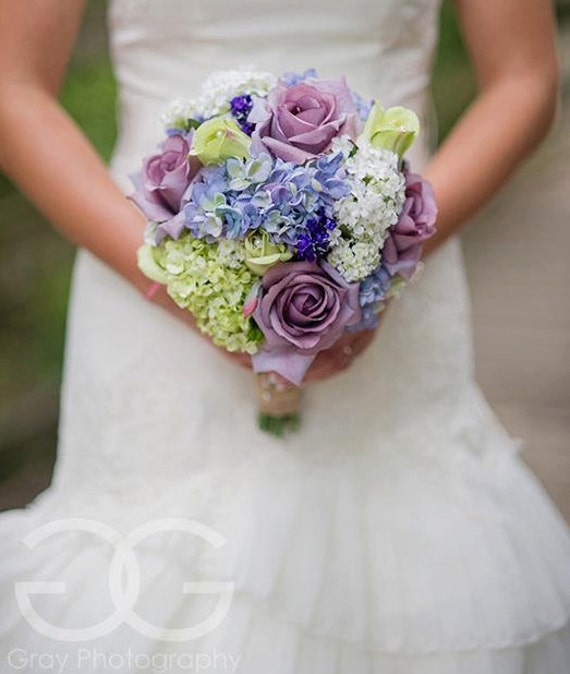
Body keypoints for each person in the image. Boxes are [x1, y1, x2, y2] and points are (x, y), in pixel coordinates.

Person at [0, 0, 569, 672]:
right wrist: (183, 286)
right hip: (146, 279)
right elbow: (15, 87)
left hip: (399, 281)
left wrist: (384, 256)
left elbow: (524, 78)